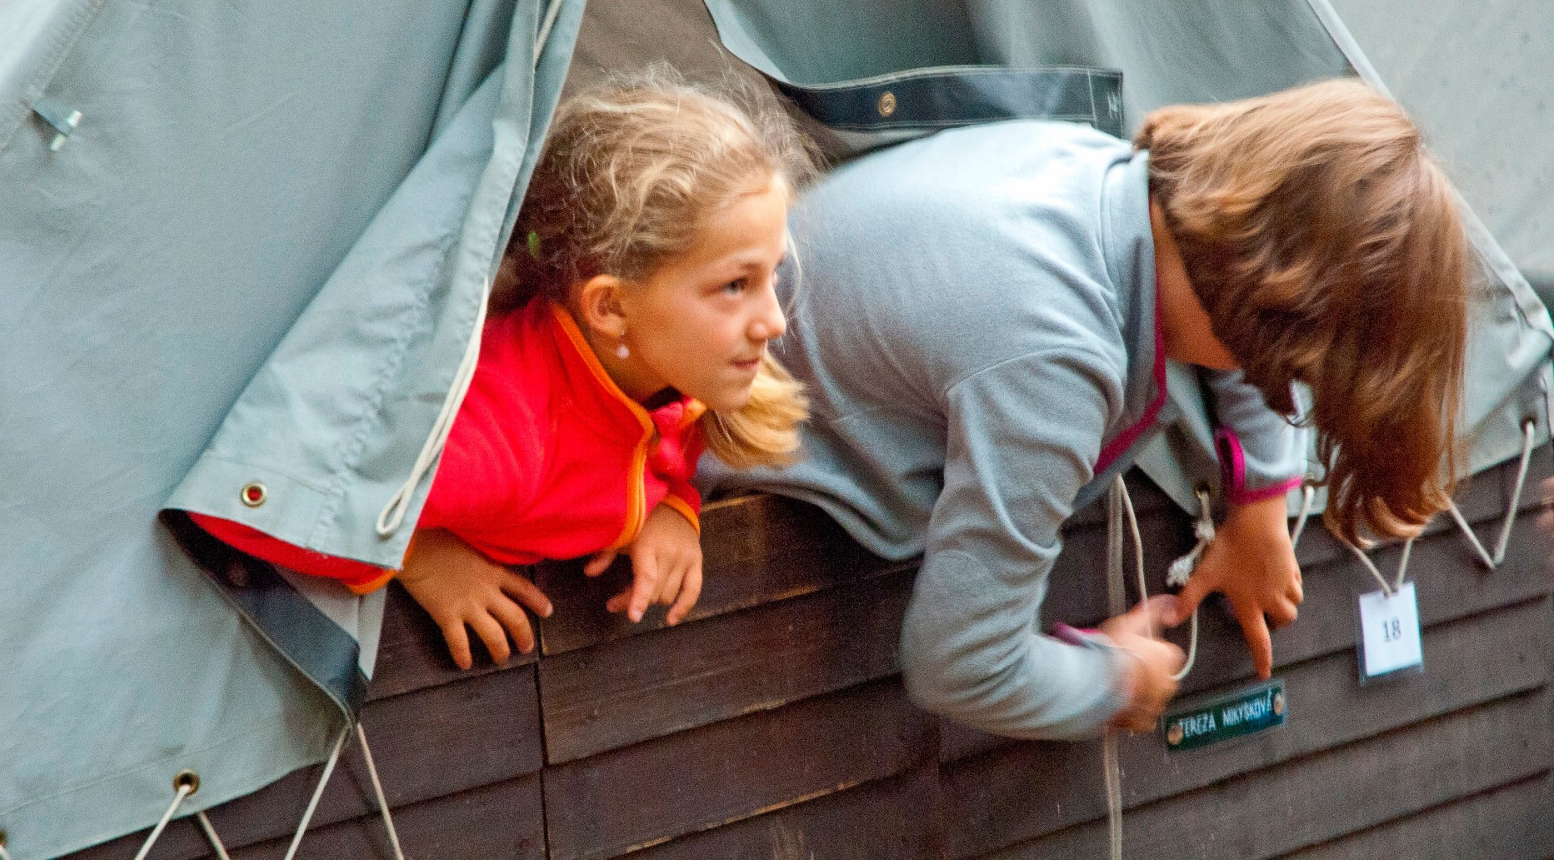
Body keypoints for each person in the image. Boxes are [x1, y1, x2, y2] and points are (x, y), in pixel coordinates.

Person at [702, 78, 1469, 738]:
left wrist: (1264, 493)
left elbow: (1240, 294)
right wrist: (1117, 678)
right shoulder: (1057, 359)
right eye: (1301, 374)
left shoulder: (1104, 177)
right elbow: (959, 660)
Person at [190, 75, 816, 669]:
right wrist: (412, 551)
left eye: (771, 275)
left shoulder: (671, 376)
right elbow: (242, 503)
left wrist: (675, 506)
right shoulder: (502, 444)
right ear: (610, 307)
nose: (773, 321)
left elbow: (666, 439)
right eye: (734, 285)